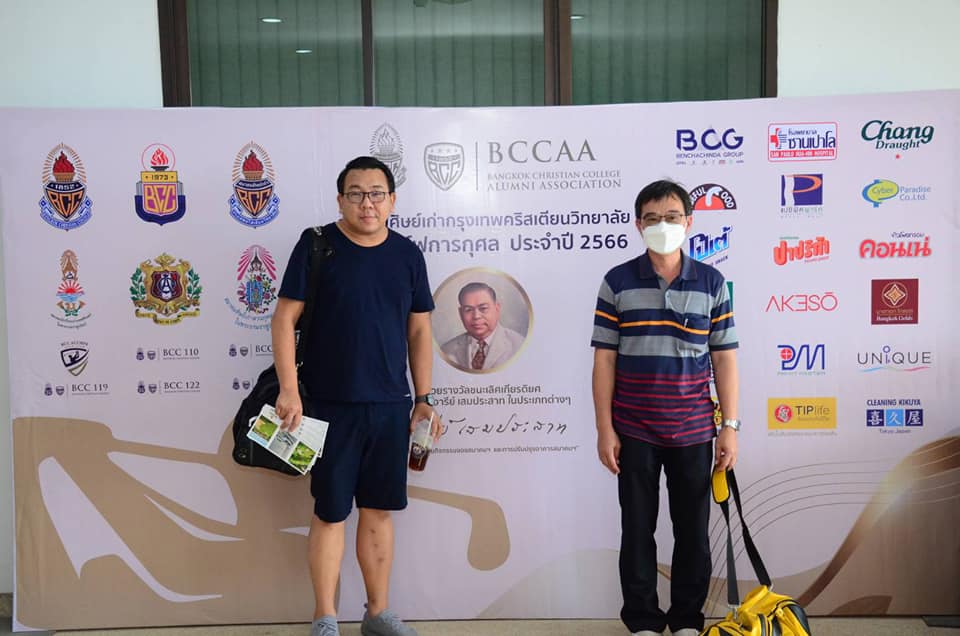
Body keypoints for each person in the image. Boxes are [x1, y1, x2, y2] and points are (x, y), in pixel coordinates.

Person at [272, 156, 440, 636]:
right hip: (328, 405)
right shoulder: (317, 246)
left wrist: (424, 398)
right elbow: (284, 319)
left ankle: (377, 613)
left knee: (379, 511)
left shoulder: (407, 255)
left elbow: (419, 331)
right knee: (330, 513)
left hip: (389, 406)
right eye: (356, 193)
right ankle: (325, 617)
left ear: (392, 200)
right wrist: (289, 391)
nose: (367, 203)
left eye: (376, 193)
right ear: (340, 199)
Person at [591, 180, 739, 636]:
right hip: (633, 428)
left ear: (689, 222)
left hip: (694, 429)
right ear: (638, 225)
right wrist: (604, 428)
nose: (662, 226)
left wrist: (730, 426)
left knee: (693, 532)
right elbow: (604, 359)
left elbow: (724, 358)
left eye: (672, 217)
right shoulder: (617, 281)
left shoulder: (712, 282)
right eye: (652, 218)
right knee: (637, 529)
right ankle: (643, 621)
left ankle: (687, 619)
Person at [440, 281, 525, 372]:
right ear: (461, 313)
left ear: (497, 308)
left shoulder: (520, 345)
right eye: (468, 310)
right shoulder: (446, 350)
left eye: (483, 308)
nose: (476, 316)